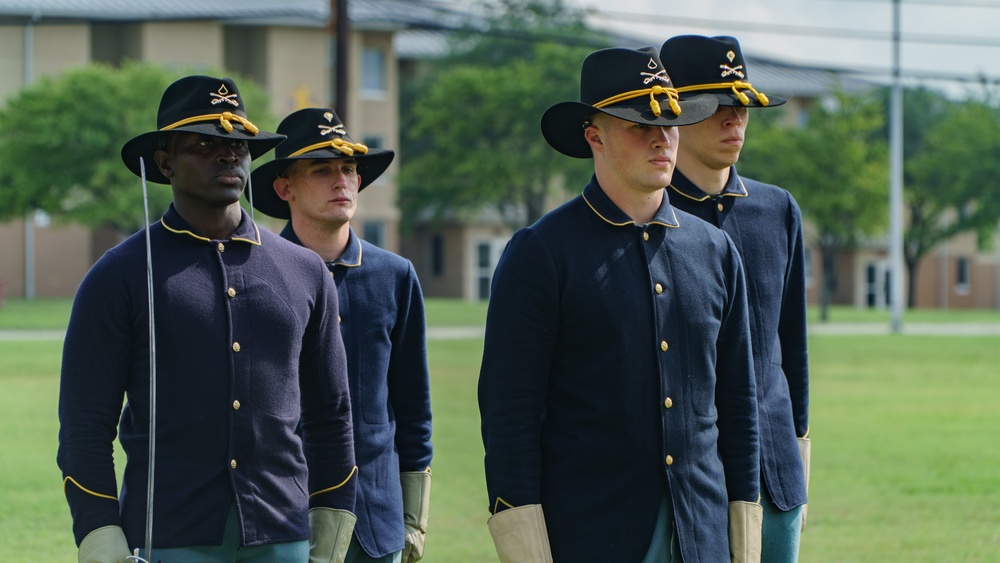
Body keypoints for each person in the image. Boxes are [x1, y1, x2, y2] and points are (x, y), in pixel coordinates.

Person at [478, 46, 763, 563]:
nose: (661, 138)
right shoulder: (542, 252)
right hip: (587, 535)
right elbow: (510, 417)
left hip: (702, 534)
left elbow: (739, 407)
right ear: (594, 135)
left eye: (671, 123)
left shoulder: (716, 251)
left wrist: (742, 536)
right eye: (639, 124)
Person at [57, 75, 358, 563]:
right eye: (205, 143)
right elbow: (84, 426)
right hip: (168, 536)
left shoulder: (305, 272)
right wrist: (99, 533)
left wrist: (331, 521)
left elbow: (331, 416)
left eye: (238, 144)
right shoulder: (120, 275)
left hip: (284, 534)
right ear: (165, 161)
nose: (228, 155)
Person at [249, 107, 433, 563]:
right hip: (281, 520)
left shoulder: (396, 275)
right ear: (284, 187)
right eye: (322, 169)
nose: (342, 181)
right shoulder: (252, 274)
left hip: (376, 525)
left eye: (349, 168)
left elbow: (412, 408)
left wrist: (414, 518)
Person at [660, 35, 811, 562]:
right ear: (673, 112)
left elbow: (792, 350)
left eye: (742, 103)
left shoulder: (778, 210)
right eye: (718, 105)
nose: (735, 118)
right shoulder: (649, 217)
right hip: (690, 485)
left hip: (776, 480)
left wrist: (797, 457)